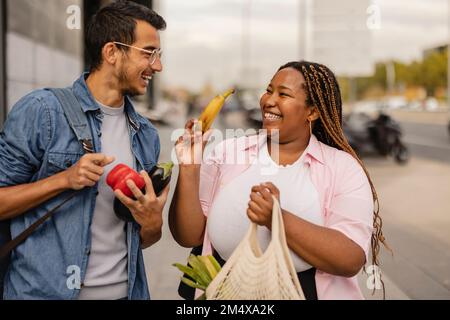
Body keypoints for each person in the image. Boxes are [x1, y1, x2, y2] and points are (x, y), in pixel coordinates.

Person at [169, 60, 389, 300]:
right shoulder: (227, 153)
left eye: (283, 94)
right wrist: (189, 170)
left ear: (312, 112)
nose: (268, 100)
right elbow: (188, 236)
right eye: (269, 90)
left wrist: (278, 219)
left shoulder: (343, 168)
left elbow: (350, 258)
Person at [0, 1, 169, 300]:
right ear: (112, 52)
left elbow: (143, 238)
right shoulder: (43, 112)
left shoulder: (146, 135)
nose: (157, 66)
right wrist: (63, 180)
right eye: (148, 53)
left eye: (158, 55)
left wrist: (153, 222)